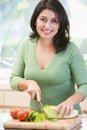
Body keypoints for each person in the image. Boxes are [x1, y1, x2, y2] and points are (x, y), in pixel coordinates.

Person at [10, 0, 87, 117]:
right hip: (37, 117)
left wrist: (70, 102)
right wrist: (28, 83)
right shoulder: (27, 45)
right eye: (43, 19)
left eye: (54, 21)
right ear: (35, 21)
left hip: (67, 117)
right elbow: (13, 79)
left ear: (60, 24)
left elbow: (85, 85)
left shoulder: (71, 49)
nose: (47, 26)